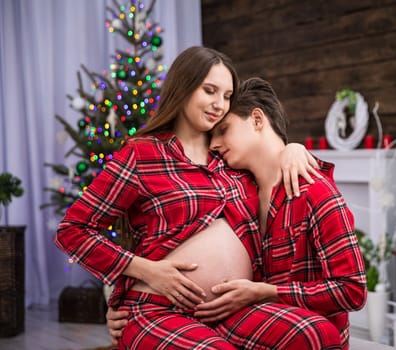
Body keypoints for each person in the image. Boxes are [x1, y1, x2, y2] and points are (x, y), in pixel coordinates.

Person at [55, 46, 341, 349]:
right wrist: (146, 270)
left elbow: (270, 163)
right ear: (184, 87)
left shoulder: (230, 158)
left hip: (231, 308)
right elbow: (72, 231)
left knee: (316, 335)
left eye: (227, 96)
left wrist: (292, 147)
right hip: (159, 307)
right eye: (210, 91)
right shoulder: (143, 154)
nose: (220, 104)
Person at [107, 77, 368, 348]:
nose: (213, 144)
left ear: (257, 120)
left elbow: (353, 291)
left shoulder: (315, 193)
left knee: (314, 335)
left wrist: (266, 292)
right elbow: (165, 227)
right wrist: (124, 299)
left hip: (294, 329)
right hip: (229, 318)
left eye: (223, 130)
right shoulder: (238, 186)